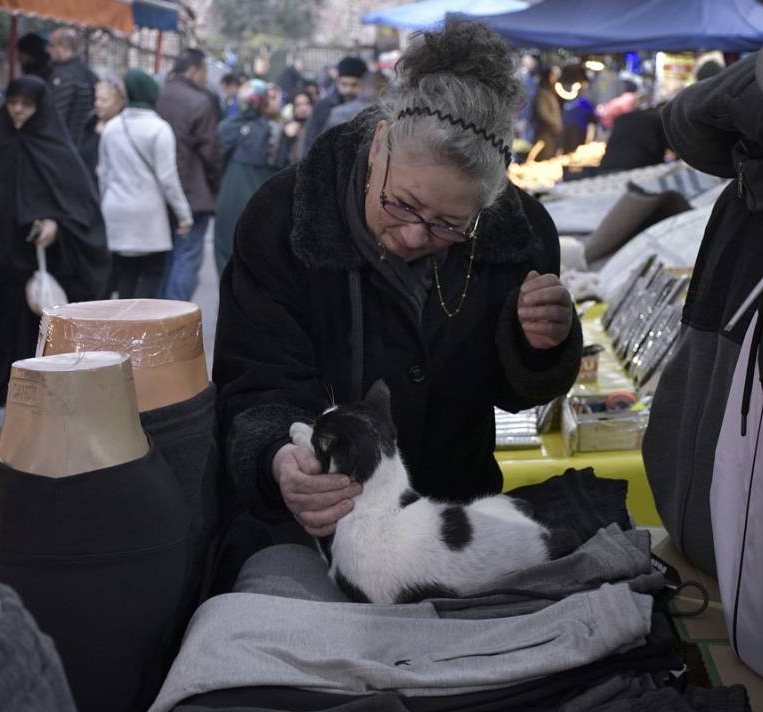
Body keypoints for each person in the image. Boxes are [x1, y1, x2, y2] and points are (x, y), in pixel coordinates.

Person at [213, 19, 581, 576]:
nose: (415, 235)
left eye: (449, 225)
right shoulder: (283, 220)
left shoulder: (517, 236)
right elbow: (255, 386)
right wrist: (278, 459)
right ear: (380, 142)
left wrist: (542, 344)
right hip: (311, 539)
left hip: (449, 531)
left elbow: (516, 396)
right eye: (403, 204)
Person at [0, 76, 110, 435]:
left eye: (26, 105)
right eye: (12, 102)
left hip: (23, 273)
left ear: (40, 108)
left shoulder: (55, 148)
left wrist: (56, 224)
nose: (17, 110)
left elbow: (80, 206)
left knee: (20, 345)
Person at [99, 69, 192, 300]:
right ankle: (142, 329)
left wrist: (104, 207)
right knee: (153, 273)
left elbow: (104, 175)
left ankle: (124, 328)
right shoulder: (159, 129)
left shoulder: (111, 128)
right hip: (147, 215)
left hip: (115, 211)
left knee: (125, 276)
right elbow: (168, 178)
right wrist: (184, 215)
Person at [155, 48, 223, 301]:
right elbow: (212, 153)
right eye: (205, 72)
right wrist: (214, 186)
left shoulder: (158, 95)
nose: (206, 79)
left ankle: (155, 320)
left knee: (164, 260)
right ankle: (174, 322)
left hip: (158, 194)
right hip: (193, 195)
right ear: (194, 71)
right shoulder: (200, 102)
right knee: (186, 260)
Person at [213, 79, 286, 275]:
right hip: (262, 202)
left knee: (226, 258)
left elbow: (214, 163)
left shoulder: (225, 128)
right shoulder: (274, 131)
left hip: (228, 200)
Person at [302, 55, 367, 154]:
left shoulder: (370, 107)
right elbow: (310, 143)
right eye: (344, 84)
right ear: (337, 81)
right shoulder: (323, 107)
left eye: (354, 85)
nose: (348, 90)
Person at [48, 28, 98, 145]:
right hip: (85, 144)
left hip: (65, 146)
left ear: (63, 47)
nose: (48, 50)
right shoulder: (90, 74)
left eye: (51, 45)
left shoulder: (63, 76)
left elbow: (57, 117)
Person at [78, 76, 125, 183]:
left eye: (104, 100)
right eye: (97, 99)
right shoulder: (90, 123)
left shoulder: (122, 129)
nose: (97, 104)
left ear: (119, 103)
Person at [598, 105, 669, 172]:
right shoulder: (658, 119)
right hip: (640, 168)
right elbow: (674, 143)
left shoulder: (622, 119)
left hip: (607, 168)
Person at [531, 64, 563, 160]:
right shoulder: (542, 93)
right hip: (545, 133)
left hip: (552, 133)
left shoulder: (550, 92)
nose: (555, 78)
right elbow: (543, 113)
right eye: (553, 76)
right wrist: (555, 124)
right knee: (545, 158)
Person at [278, 90, 312, 165]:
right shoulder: (287, 126)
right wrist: (286, 135)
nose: (303, 108)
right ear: (293, 108)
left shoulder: (317, 127)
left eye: (306, 104)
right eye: (298, 105)